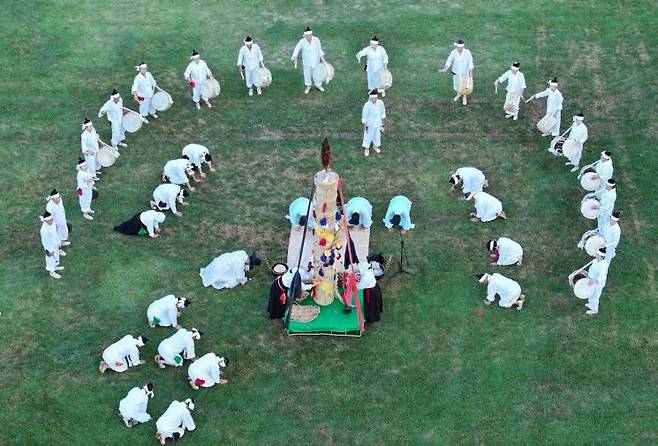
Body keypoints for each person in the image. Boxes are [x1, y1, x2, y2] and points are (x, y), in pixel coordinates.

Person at [291, 27, 325, 94]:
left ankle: (318, 85)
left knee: (317, 73)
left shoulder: (316, 40)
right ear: (305, 36)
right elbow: (297, 49)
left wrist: (322, 58)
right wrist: (295, 56)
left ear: (311, 35)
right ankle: (308, 86)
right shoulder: (302, 42)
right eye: (307, 36)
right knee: (307, 74)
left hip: (316, 60)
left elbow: (319, 49)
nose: (309, 37)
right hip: (307, 62)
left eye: (310, 35)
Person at [440, 39, 474, 105]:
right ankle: (458, 94)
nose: (460, 49)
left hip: (465, 73)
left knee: (464, 85)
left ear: (463, 47)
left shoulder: (468, 53)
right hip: (455, 72)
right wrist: (445, 68)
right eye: (458, 48)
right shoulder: (453, 52)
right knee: (457, 84)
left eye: (461, 48)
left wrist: (471, 74)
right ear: (456, 47)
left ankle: (464, 96)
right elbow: (449, 61)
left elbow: (470, 63)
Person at [585, 247, 609, 315]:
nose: (596, 255)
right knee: (590, 293)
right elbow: (591, 268)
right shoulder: (596, 260)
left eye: (597, 255)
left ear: (601, 256)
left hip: (598, 283)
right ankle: (590, 304)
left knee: (595, 295)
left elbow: (602, 275)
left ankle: (594, 309)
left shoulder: (604, 264)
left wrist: (595, 280)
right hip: (591, 279)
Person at [361, 90, 386, 157]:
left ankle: (375, 146)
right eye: (372, 98)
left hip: (377, 123)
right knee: (367, 136)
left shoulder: (380, 103)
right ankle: (367, 148)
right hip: (369, 124)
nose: (374, 100)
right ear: (370, 98)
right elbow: (364, 116)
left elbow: (383, 113)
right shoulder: (367, 105)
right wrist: (365, 126)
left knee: (377, 136)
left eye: (375, 98)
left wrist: (382, 124)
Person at [40, 211, 64, 279]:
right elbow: (45, 241)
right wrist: (50, 250)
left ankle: (55, 267)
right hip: (50, 246)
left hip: (55, 243)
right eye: (49, 220)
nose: (51, 221)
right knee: (50, 259)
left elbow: (54, 230)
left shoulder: (52, 223)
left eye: (51, 220)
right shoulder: (44, 230)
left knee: (56, 256)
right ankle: (51, 271)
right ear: (45, 221)